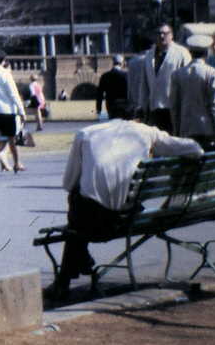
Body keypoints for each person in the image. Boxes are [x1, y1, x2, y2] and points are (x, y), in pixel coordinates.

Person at [43, 120, 202, 301]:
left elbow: (69, 182)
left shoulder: (86, 134)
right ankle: (75, 265)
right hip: (126, 217)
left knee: (78, 202)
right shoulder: (145, 132)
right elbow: (194, 149)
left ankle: (66, 278)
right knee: (83, 214)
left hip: (93, 221)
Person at [170, 35, 215, 149]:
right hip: (207, 130)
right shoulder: (211, 73)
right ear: (206, 52)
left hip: (185, 129)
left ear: (190, 52)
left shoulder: (177, 74)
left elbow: (174, 106)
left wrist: (176, 130)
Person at [136, 23, 190, 132]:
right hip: (155, 109)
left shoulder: (182, 53)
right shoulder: (149, 55)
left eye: (165, 33)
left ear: (171, 35)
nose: (161, 36)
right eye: (158, 34)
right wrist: (141, 105)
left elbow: (188, 81)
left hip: (174, 108)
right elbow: (144, 84)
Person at [96, 55, 131, 120]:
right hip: (124, 105)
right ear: (122, 63)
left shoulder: (105, 76)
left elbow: (99, 94)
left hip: (111, 105)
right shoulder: (126, 75)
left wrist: (98, 109)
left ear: (113, 63)